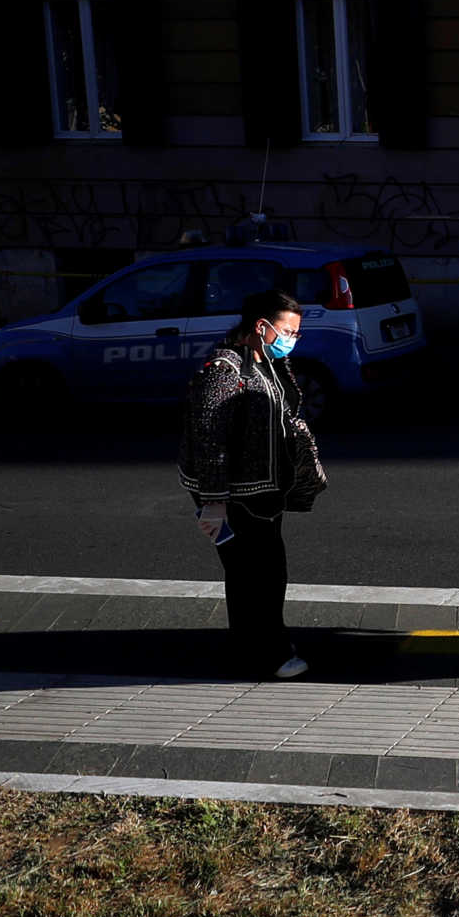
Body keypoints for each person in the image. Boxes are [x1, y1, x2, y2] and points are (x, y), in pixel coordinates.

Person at [179, 289, 326, 679]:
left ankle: (263, 644)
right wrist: (213, 502)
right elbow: (209, 440)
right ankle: (265, 655)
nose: (293, 340)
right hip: (236, 497)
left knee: (266, 572)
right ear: (261, 327)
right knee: (254, 577)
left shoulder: (268, 364)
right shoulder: (224, 372)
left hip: (263, 494)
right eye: (288, 331)